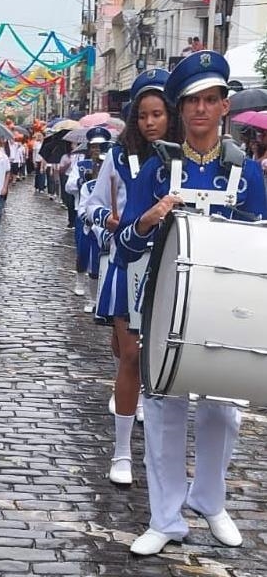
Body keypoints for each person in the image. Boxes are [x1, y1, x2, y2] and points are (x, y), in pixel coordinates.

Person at [116, 51, 267, 555]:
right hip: (163, 303)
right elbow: (125, 246)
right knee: (163, 409)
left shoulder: (247, 173)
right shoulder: (157, 169)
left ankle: (210, 499)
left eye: (210, 100)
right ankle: (165, 519)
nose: (201, 109)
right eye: (192, 101)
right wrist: (149, 218)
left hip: (224, 307)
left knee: (223, 411)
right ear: (181, 110)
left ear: (224, 107)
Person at [85, 68, 178, 485]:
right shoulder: (119, 157)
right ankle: (122, 452)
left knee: (154, 358)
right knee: (130, 354)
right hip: (126, 259)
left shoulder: (182, 158)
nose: (150, 123)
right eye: (143, 115)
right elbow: (91, 205)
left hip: (173, 264)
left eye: (158, 114)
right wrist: (107, 220)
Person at [66, 127, 110, 312]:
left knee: (101, 255)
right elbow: (69, 186)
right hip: (83, 214)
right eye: (93, 146)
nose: (96, 150)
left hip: (104, 217)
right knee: (83, 250)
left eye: (100, 146)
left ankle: (98, 294)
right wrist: (82, 181)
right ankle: (80, 280)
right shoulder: (81, 165)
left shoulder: (110, 164)